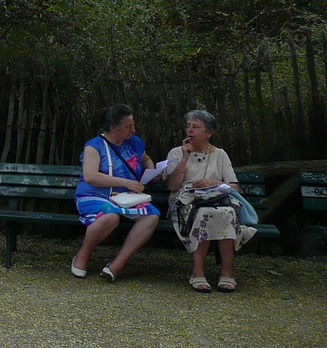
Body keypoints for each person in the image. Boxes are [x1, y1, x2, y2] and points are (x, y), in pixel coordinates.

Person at [163, 110, 256, 293]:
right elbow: (173, 186)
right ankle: (198, 271)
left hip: (216, 200)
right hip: (185, 201)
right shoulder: (176, 152)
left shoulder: (220, 154)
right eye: (188, 126)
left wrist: (215, 182)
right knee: (204, 214)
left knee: (226, 213)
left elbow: (234, 187)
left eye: (196, 127)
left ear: (209, 133)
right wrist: (185, 158)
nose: (190, 130)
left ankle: (226, 272)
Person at [71, 104, 161, 282]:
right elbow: (90, 176)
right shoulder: (94, 146)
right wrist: (125, 182)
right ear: (113, 127)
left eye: (133, 125)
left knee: (151, 216)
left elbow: (146, 159)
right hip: (94, 195)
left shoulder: (134, 142)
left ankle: (118, 264)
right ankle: (83, 255)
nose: (132, 130)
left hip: (127, 198)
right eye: (128, 126)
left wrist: (152, 172)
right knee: (110, 216)